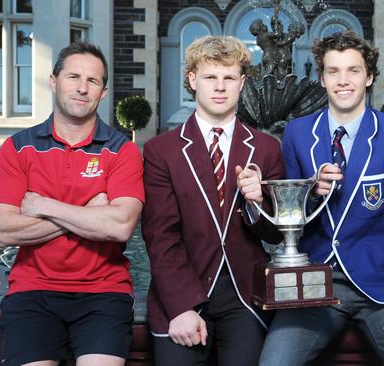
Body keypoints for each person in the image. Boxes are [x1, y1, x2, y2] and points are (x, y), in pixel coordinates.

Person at [258, 30, 384, 366]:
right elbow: (290, 218)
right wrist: (311, 190)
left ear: (368, 77)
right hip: (315, 286)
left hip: (382, 289)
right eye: (333, 71)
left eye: (353, 70)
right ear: (322, 79)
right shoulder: (297, 133)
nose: (343, 81)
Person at [0, 41, 144, 366]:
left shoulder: (122, 151)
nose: (82, 88)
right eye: (74, 77)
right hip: (32, 291)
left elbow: (119, 226)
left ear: (103, 92)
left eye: (93, 81)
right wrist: (90, 214)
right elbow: (3, 230)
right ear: (54, 81)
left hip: (104, 292)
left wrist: (44, 205)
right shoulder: (18, 148)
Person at [141, 35, 285, 366]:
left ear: (242, 82)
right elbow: (160, 236)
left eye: (229, 77)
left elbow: (277, 233)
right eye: (210, 77)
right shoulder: (162, 150)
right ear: (192, 80)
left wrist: (257, 201)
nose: (220, 87)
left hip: (245, 297)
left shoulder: (266, 148)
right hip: (182, 292)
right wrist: (180, 307)